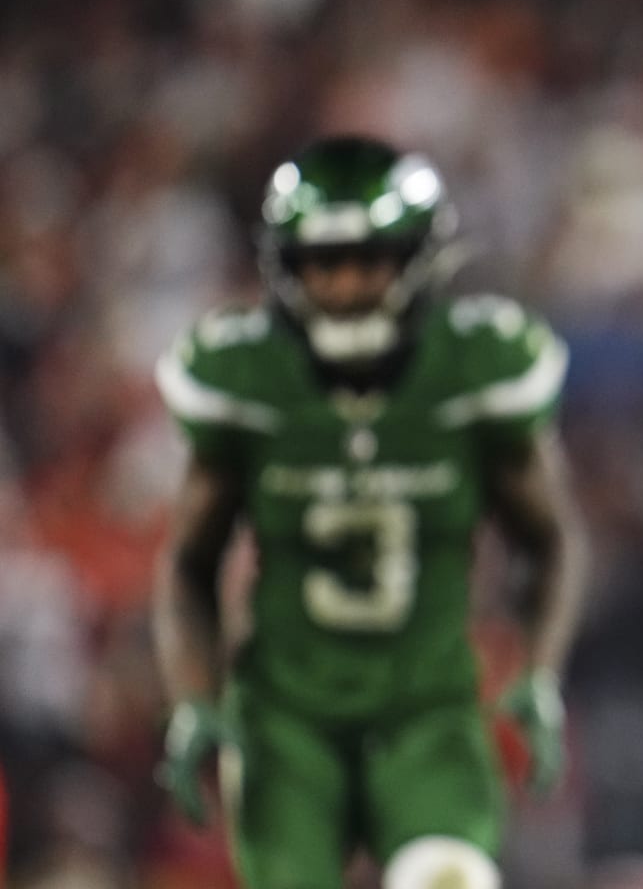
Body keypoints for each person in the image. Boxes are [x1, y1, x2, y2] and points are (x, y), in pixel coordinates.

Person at [152, 136, 589, 889]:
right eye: (325, 263)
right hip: (286, 719)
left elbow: (552, 540)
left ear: (418, 258)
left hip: (428, 707)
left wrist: (540, 673)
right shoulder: (247, 379)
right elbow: (189, 560)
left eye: (370, 259)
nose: (348, 285)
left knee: (448, 879)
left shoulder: (476, 367)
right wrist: (194, 700)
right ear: (287, 266)